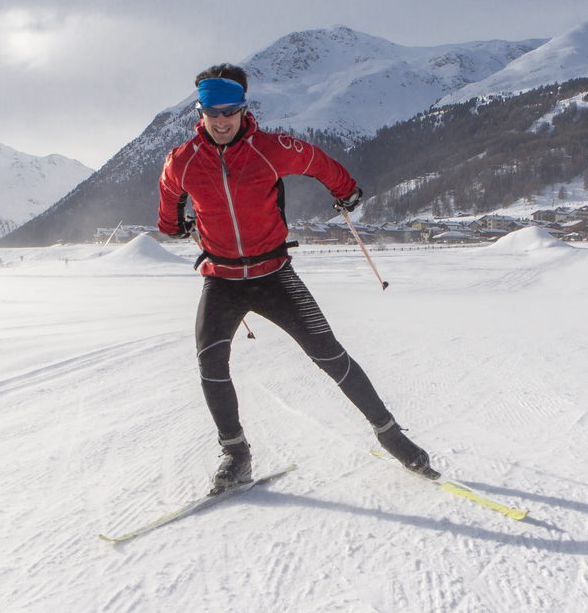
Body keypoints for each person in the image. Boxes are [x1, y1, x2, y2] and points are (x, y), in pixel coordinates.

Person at [157, 63, 435, 492]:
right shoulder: (183, 161)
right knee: (210, 363)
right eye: (212, 111)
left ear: (243, 108)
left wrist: (345, 191)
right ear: (201, 111)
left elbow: (318, 162)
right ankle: (235, 455)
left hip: (274, 276)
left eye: (229, 110)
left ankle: (391, 435)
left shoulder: (271, 148)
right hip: (221, 280)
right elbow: (168, 201)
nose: (221, 120)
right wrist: (173, 224)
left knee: (329, 355)